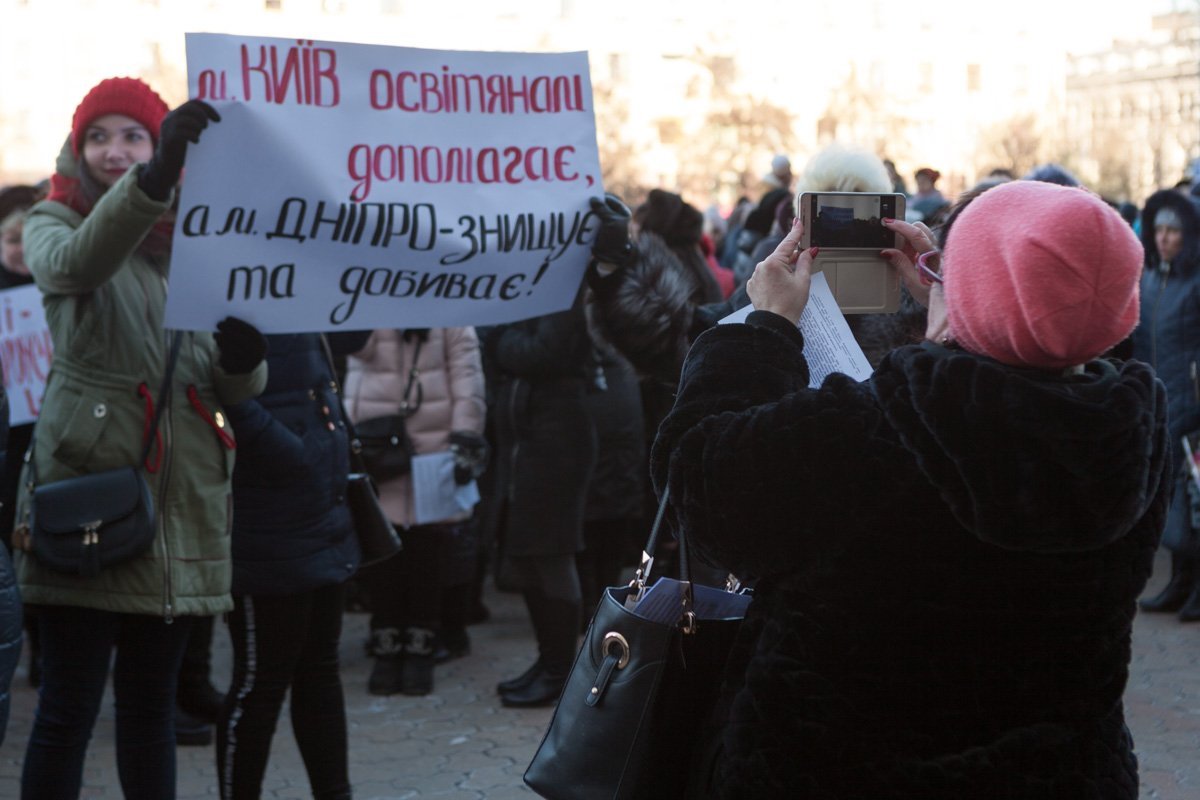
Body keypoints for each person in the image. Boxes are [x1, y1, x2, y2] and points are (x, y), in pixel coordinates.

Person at [651, 180, 1166, 797]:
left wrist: (761, 331)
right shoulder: (1133, 429)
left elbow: (702, 481)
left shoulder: (885, 426)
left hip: (841, 770)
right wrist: (960, 302)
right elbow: (1032, 361)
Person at [16, 77, 267, 800]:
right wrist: (156, 182)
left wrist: (245, 363)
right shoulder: (52, 220)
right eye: (99, 136)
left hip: (182, 501)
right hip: (89, 499)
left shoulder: (203, 239)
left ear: (160, 145)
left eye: (134, 137)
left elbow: (225, 387)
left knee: (149, 710)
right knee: (66, 712)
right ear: (77, 146)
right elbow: (78, 264)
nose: (114, 152)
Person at [216, 330, 366, 800]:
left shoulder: (301, 277)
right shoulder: (230, 275)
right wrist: (292, 451)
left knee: (319, 669)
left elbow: (353, 338)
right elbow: (218, 387)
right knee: (261, 683)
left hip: (321, 501)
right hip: (267, 515)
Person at [346, 327, 487, 697]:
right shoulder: (371, 304)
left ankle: (421, 646)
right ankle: (387, 646)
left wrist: (465, 438)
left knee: (428, 554)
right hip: (380, 449)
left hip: (433, 453)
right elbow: (353, 352)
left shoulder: (453, 315)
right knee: (383, 554)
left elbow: (467, 379)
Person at [479, 300, 597, 708]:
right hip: (527, 440)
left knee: (550, 552)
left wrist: (499, 337)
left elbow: (544, 352)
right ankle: (549, 662)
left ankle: (560, 670)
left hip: (556, 443)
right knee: (529, 552)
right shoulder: (532, 287)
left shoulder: (562, 287)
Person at [1132, 187, 1200, 620]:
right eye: (1159, 230)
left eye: (1174, 231)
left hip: (1191, 406)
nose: (1164, 238)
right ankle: (1178, 582)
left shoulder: (1196, 283)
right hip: (1159, 403)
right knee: (1170, 499)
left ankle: (1195, 587)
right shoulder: (1150, 279)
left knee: (1193, 500)